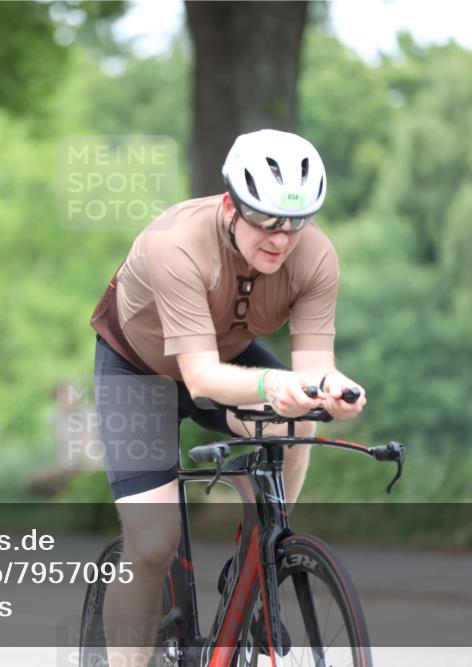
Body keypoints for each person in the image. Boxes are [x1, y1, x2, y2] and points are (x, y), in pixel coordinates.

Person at [90, 129, 367, 664]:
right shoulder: (174, 244)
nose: (281, 240)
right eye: (265, 220)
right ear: (230, 205)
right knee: (152, 545)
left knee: (301, 420)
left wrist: (331, 390)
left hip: (228, 358)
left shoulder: (317, 259)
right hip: (139, 371)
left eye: (295, 224)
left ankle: (259, 564)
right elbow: (201, 380)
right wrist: (275, 384)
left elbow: (313, 372)